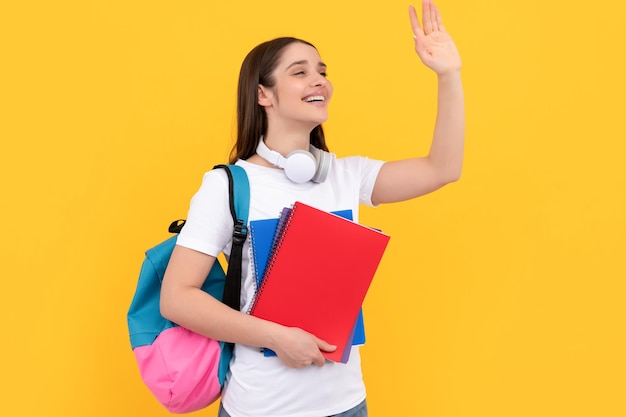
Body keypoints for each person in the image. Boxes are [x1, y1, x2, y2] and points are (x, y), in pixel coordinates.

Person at [160, 1, 464, 416]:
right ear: (263, 94)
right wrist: (276, 337)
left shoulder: (345, 175)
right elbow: (177, 299)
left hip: (347, 406)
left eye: (322, 70)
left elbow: (443, 168)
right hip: (261, 408)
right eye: (299, 71)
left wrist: (448, 75)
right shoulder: (228, 186)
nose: (318, 79)